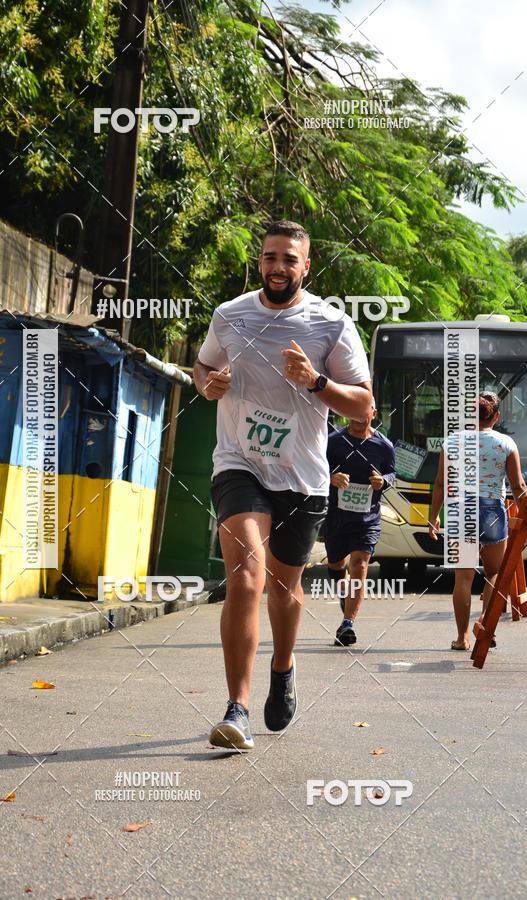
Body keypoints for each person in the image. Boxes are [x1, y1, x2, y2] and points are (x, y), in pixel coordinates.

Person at [193, 220, 372, 749]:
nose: (278, 267)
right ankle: (236, 709)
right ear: (260, 262)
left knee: (284, 587)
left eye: (289, 259)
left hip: (302, 476)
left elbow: (363, 405)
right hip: (238, 464)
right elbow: (202, 369)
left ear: (306, 266)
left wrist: (316, 382)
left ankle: (284, 666)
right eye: (270, 257)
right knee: (247, 575)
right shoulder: (230, 315)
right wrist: (209, 384)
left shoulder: (331, 324)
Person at [428, 391, 527, 650]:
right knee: (494, 573)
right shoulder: (506, 444)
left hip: (460, 508)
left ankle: (462, 638)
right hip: (492, 509)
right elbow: (518, 486)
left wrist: (434, 517)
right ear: (496, 416)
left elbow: (440, 483)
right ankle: (486, 626)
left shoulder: (451, 442)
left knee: (463, 577)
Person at [324, 404, 395, 646]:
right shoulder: (333, 441)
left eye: (363, 414)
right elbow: (317, 469)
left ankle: (347, 624)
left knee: (360, 564)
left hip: (368, 517)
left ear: (373, 415)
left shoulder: (383, 445)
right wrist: (331, 477)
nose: (357, 418)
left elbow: (392, 473)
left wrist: (383, 481)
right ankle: (345, 592)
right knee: (336, 564)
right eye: (353, 413)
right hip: (336, 516)